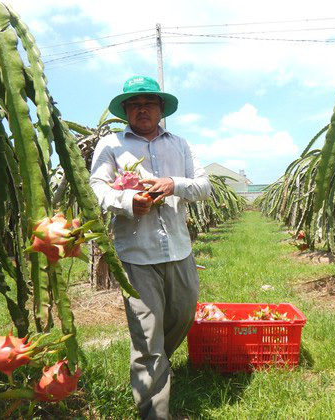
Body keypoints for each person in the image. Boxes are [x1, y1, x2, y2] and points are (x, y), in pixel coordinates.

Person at [89, 75, 211, 419]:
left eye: (149, 103)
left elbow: (204, 187)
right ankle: (155, 410)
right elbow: (97, 188)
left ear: (161, 109)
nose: (142, 109)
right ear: (126, 111)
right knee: (147, 335)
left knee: (181, 316)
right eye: (135, 104)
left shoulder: (181, 145)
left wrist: (174, 184)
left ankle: (157, 365)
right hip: (137, 254)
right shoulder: (111, 145)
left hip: (178, 249)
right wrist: (128, 201)